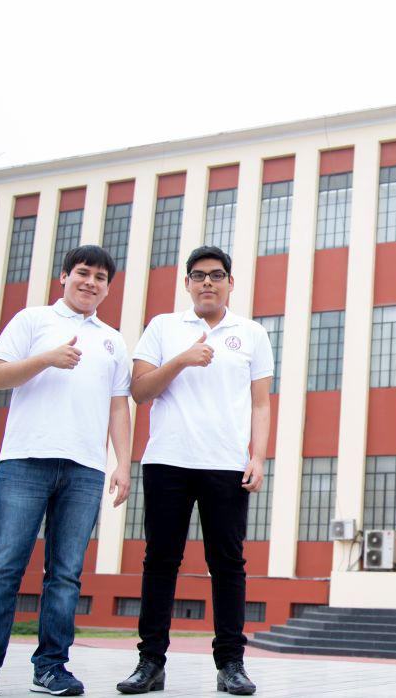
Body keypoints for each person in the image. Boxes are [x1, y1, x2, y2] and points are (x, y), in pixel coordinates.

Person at [0, 245, 132, 697]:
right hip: (26, 460)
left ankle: (52, 668)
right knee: (3, 568)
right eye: (82, 273)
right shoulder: (32, 321)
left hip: (84, 469)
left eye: (101, 277)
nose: (91, 282)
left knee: (65, 575)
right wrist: (46, 358)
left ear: (108, 286)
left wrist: (122, 463)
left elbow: (118, 406)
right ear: (63, 276)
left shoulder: (112, 339)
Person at [115, 246, 272, 696]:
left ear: (230, 283)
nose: (208, 282)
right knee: (160, 561)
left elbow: (261, 403)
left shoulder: (252, 333)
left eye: (217, 275)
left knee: (228, 564)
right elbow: (140, 391)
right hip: (168, 461)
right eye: (199, 275)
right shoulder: (163, 328)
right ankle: (150, 663)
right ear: (187, 283)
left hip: (225, 465)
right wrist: (182, 359)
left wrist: (258, 456)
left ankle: (231, 665)